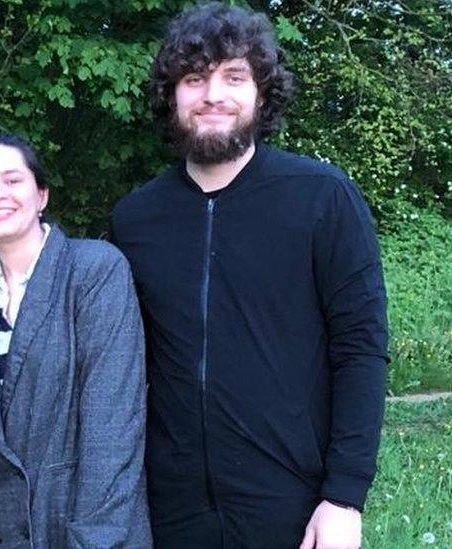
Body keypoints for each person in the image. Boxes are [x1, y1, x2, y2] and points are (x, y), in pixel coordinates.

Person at [110, 4, 389, 548]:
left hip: (293, 502)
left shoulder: (322, 197)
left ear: (262, 91)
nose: (213, 93)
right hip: (171, 509)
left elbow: (361, 349)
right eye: (195, 78)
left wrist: (344, 497)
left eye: (233, 76)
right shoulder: (136, 217)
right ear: (173, 96)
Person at [0, 134, 151, 547]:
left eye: (12, 180)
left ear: (41, 195)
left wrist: (94, 538)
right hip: (0, 532)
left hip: (82, 525)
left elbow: (112, 424)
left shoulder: (93, 270)